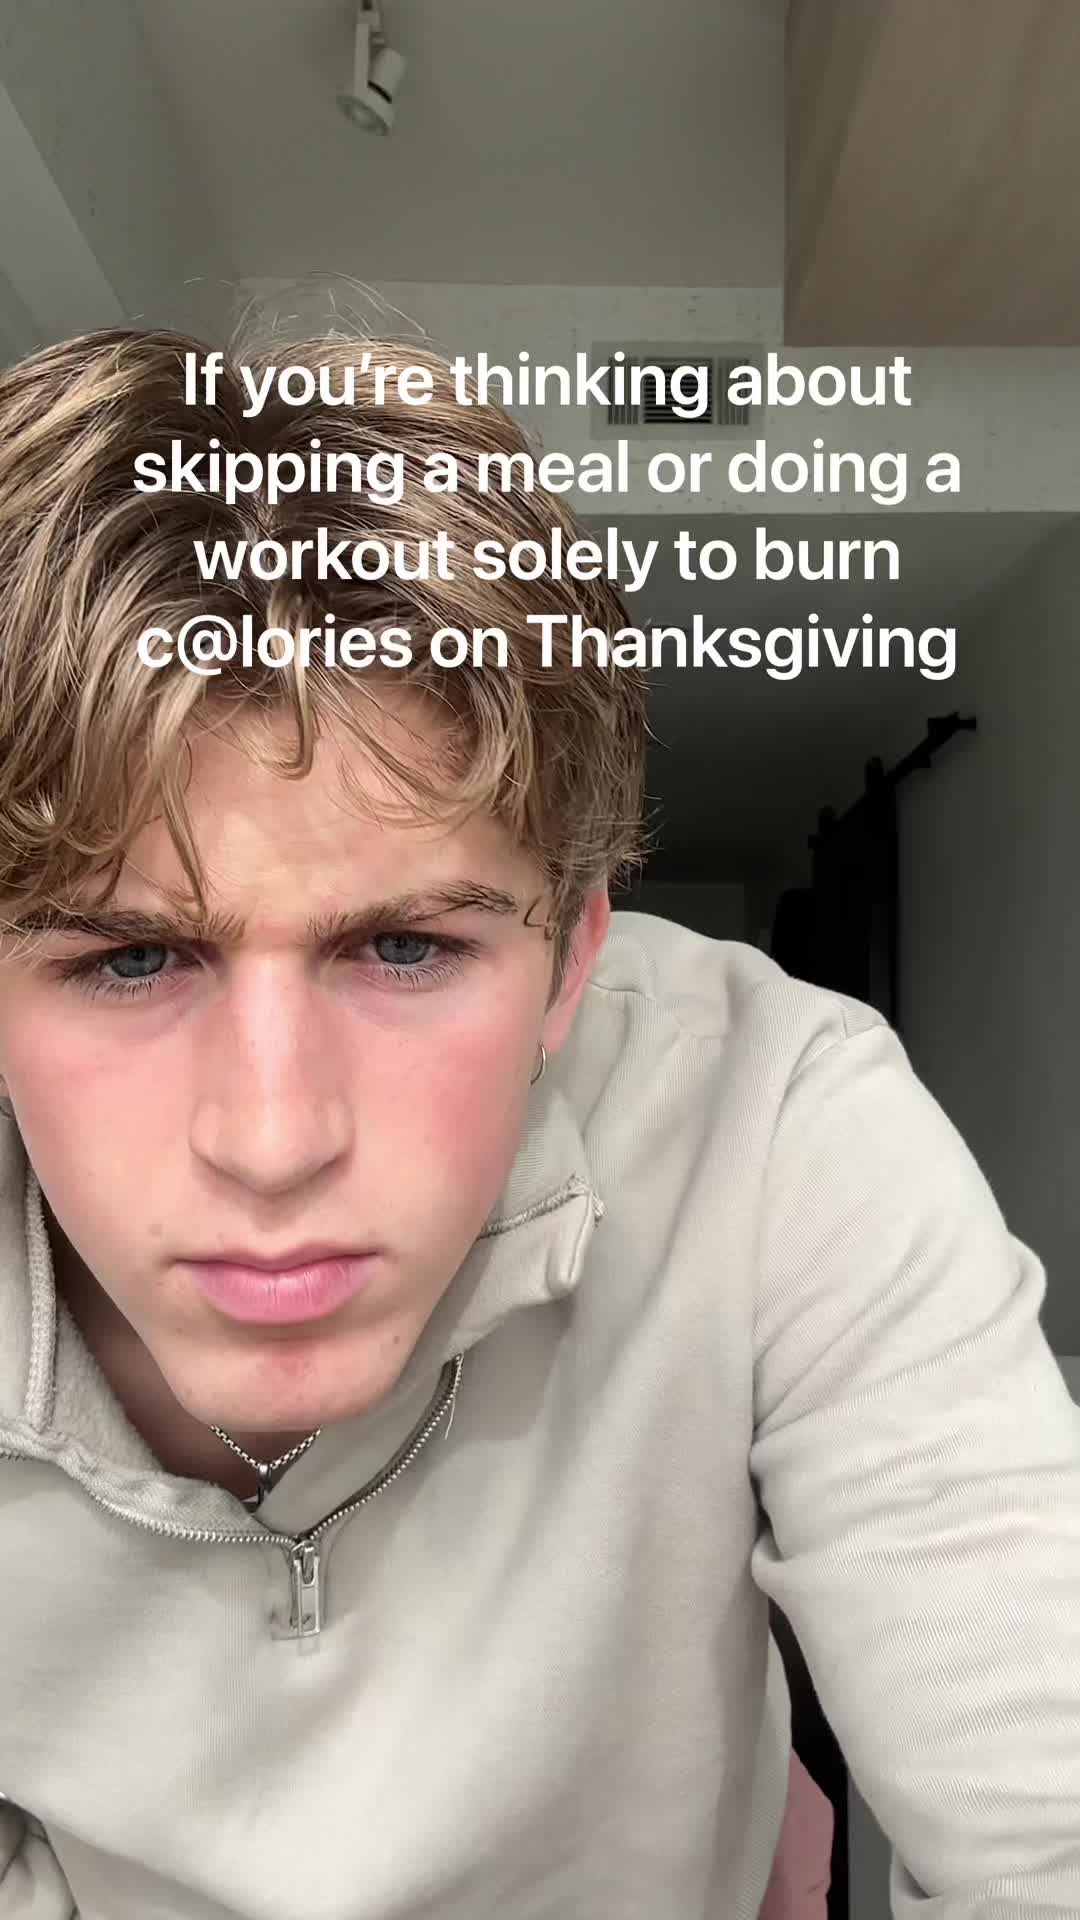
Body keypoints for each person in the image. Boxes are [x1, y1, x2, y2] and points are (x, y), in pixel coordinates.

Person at [0, 327, 1077, 1920]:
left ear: (571, 958)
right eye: (129, 959)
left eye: (404, 948)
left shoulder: (775, 1112)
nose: (275, 1140)